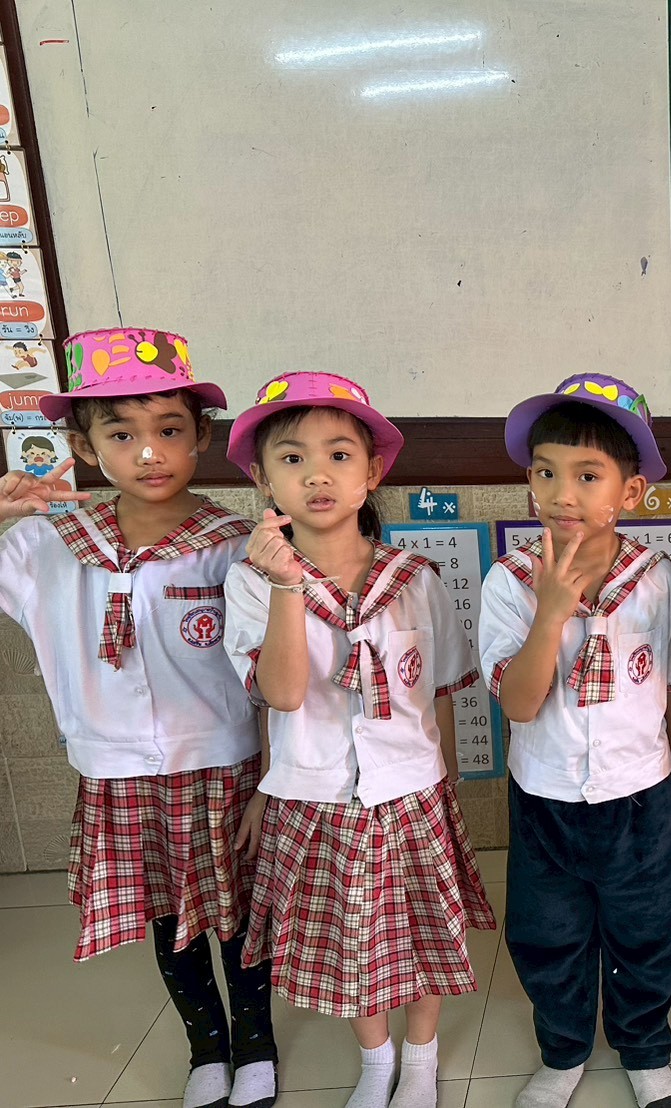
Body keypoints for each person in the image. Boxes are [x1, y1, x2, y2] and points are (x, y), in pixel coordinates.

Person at [0, 328, 277, 1108]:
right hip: (117, 770)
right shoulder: (47, 543)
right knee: (168, 917)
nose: (149, 453)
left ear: (202, 438)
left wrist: (270, 776)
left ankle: (257, 1046)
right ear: (84, 448)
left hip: (224, 764)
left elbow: (276, 671)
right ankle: (206, 1050)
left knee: (238, 917)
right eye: (121, 435)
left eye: (170, 430)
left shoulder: (236, 546)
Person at [223, 372, 495, 1108]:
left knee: (423, 932)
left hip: (410, 789)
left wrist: (445, 787)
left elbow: (439, 689)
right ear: (262, 479)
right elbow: (282, 694)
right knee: (353, 943)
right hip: (313, 795)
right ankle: (376, 1061)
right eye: (292, 459)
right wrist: (286, 586)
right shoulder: (252, 582)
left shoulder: (415, 579)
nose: (317, 475)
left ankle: (421, 1056)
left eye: (339, 455)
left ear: (372, 471)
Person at [481, 372, 671, 1108]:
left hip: (639, 792)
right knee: (548, 933)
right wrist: (550, 612)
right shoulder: (510, 583)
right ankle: (564, 1050)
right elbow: (520, 703)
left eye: (586, 475)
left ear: (629, 493)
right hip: (544, 795)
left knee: (648, 930)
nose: (561, 493)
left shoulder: (657, 580)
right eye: (544, 472)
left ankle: (644, 1048)